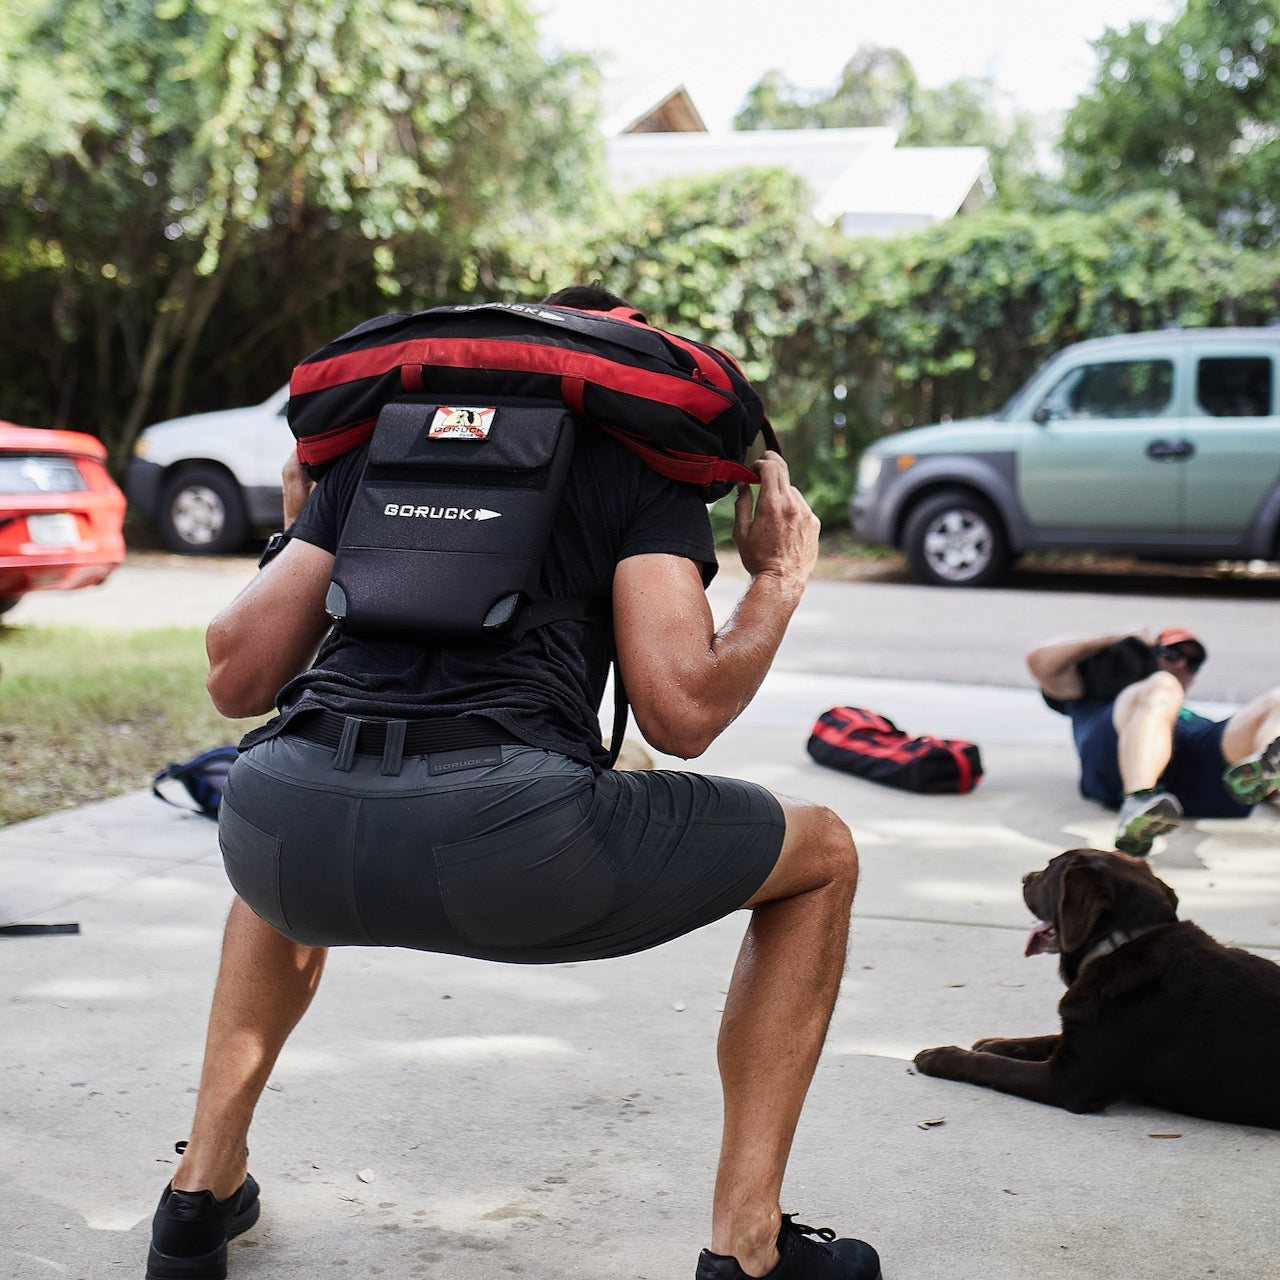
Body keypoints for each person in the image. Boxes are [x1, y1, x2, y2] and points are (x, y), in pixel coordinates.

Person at [144, 286, 882, 1280]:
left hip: (277, 820)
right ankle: (746, 1241)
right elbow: (682, 710)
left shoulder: (385, 442)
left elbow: (236, 680)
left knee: (303, 811)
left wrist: (298, 527)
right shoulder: (636, 457)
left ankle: (199, 1192)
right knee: (821, 853)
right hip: (512, 842)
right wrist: (779, 579)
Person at [1026, 626, 1280, 856]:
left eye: (1192, 662)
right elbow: (1039, 660)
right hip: (1117, 765)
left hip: (1202, 780)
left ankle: (1270, 764)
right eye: (1170, 654)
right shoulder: (1091, 694)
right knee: (1162, 686)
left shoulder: (1191, 715)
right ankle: (1139, 800)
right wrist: (1118, 637)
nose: (1182, 664)